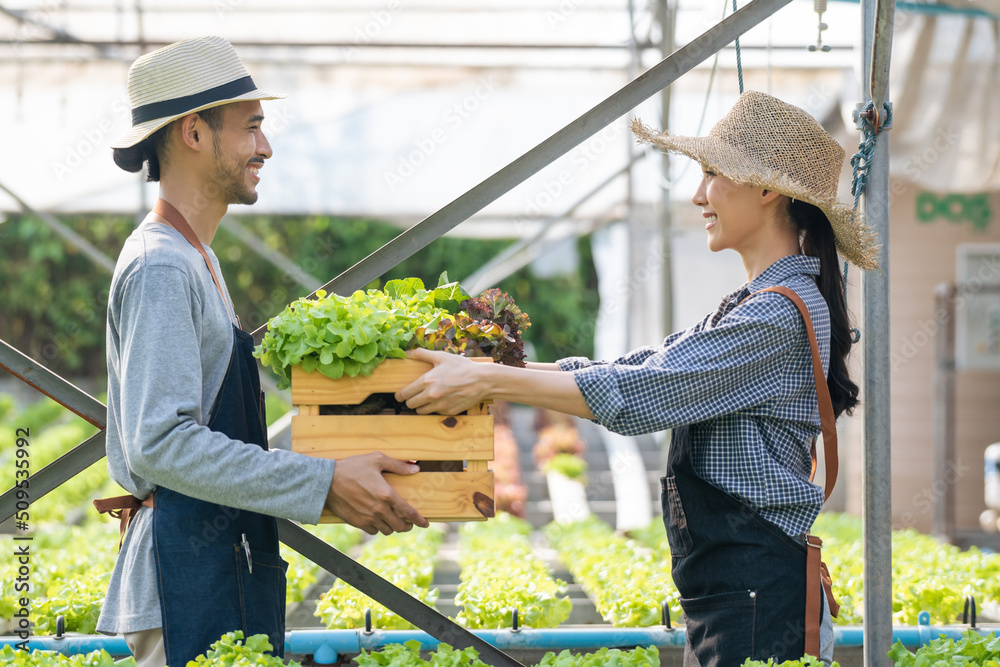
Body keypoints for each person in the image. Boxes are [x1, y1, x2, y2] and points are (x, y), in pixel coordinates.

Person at [397, 91, 878, 665]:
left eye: (711, 175)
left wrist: (488, 383)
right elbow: (640, 368)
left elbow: (640, 395)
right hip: (740, 593)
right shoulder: (757, 303)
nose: (699, 196)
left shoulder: (775, 315)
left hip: (756, 600)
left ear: (766, 187)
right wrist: (490, 369)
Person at [94, 36, 428, 667]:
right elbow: (159, 444)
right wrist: (325, 479)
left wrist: (339, 468)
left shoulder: (196, 257)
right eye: (251, 128)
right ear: (194, 132)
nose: (266, 148)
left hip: (214, 564)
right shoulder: (162, 266)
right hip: (180, 579)